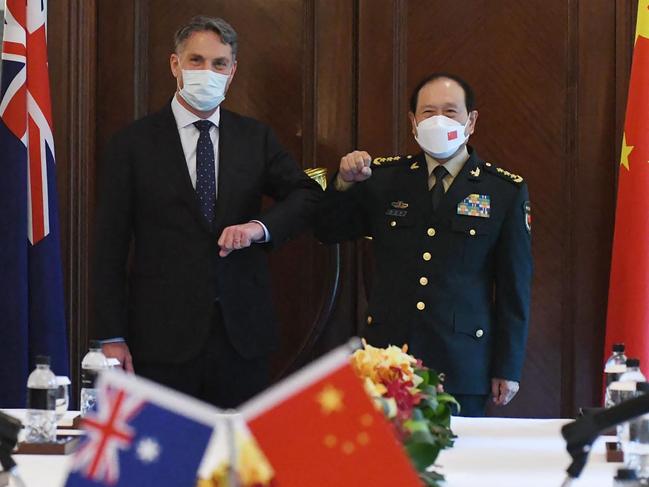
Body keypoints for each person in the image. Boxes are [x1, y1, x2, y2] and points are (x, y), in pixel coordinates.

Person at [93, 16, 322, 408]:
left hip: (241, 338)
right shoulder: (132, 144)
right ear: (174, 65)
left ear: (232, 72)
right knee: (164, 461)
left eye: (219, 64)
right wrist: (110, 337)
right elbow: (107, 247)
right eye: (196, 60)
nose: (207, 72)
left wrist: (258, 228)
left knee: (237, 463)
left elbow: (306, 195)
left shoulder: (256, 138)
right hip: (160, 341)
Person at [316, 73, 532, 416]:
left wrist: (507, 366)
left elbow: (513, 287)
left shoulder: (503, 191)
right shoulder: (384, 179)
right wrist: (343, 183)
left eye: (450, 111)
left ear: (471, 121)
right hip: (388, 361)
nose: (439, 120)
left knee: (459, 466)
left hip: (463, 365)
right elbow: (328, 230)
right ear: (413, 122)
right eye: (429, 112)